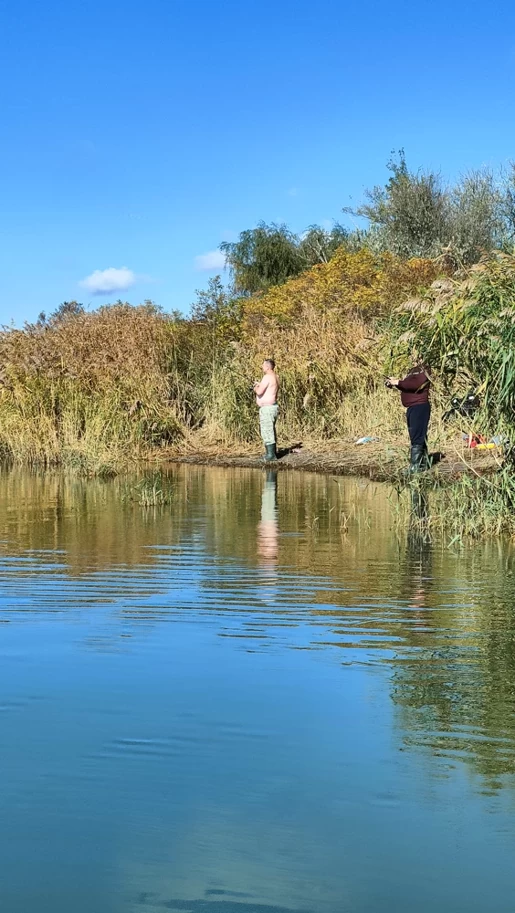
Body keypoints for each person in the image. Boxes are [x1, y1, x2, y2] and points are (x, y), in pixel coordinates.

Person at [387, 361, 431, 471]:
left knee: (417, 436)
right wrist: (394, 383)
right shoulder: (413, 371)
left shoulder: (423, 370)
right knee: (416, 435)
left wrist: (398, 382)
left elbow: (416, 385)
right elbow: (407, 387)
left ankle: (415, 466)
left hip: (420, 407)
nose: (412, 358)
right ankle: (422, 464)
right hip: (412, 408)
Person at [254, 358, 279, 461]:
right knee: (270, 430)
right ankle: (271, 453)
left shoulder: (267, 377)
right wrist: (260, 384)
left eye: (263, 365)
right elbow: (269, 389)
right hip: (273, 407)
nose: (262, 367)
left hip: (267, 408)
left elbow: (259, 392)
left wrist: (255, 387)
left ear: (268, 367)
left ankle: (270, 455)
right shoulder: (276, 377)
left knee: (267, 431)